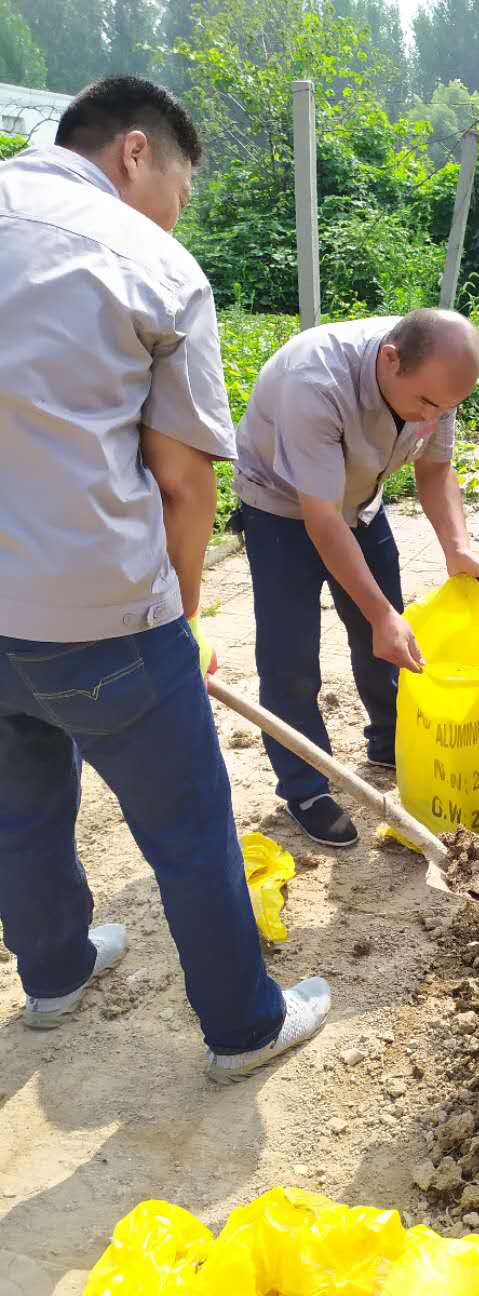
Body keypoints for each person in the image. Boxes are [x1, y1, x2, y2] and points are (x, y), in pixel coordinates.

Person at [0, 76, 330, 1082]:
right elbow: (184, 482)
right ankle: (244, 1027)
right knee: (189, 830)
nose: (178, 212)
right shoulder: (148, 260)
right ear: (135, 151)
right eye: (182, 188)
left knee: (18, 808)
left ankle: (54, 973)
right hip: (100, 615)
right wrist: (180, 620)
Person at [232, 309, 479, 848]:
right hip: (281, 508)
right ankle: (306, 786)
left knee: (389, 640)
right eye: (426, 403)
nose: (433, 415)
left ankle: (390, 740)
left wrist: (458, 548)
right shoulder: (316, 381)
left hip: (359, 502)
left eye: (445, 408)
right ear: (390, 359)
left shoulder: (436, 378)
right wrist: (379, 614)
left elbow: (435, 469)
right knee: (290, 660)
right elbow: (322, 518)